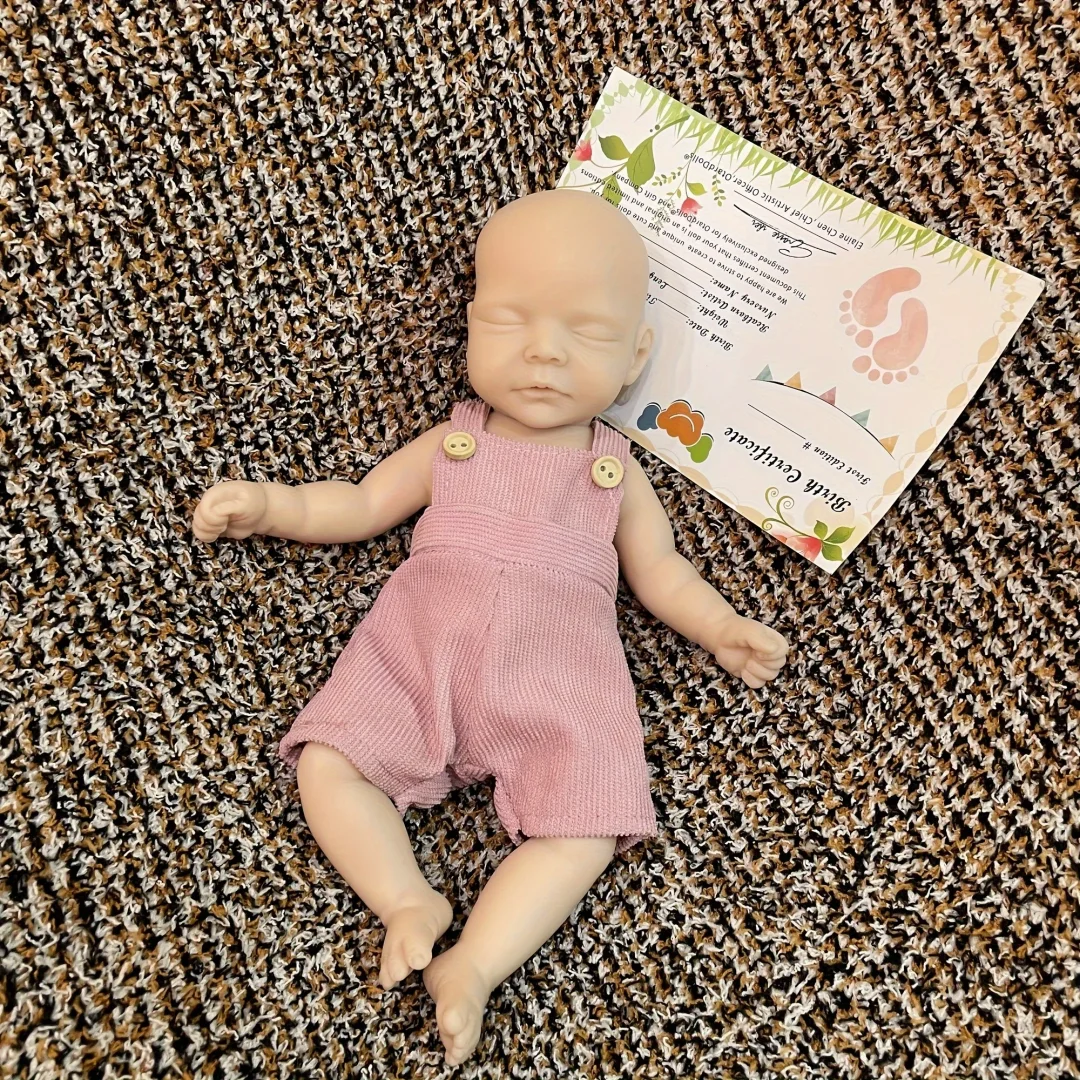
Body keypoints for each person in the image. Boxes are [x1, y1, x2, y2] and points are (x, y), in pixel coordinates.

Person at [192, 188, 789, 1066]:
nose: (543, 351)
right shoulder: (452, 443)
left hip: (559, 679)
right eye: (510, 321)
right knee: (327, 762)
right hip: (418, 654)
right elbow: (360, 502)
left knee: (588, 826)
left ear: (637, 354)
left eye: (586, 333)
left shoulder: (613, 472)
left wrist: (722, 627)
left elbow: (660, 572)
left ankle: (476, 962)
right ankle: (405, 899)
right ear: (471, 325)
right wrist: (274, 506)